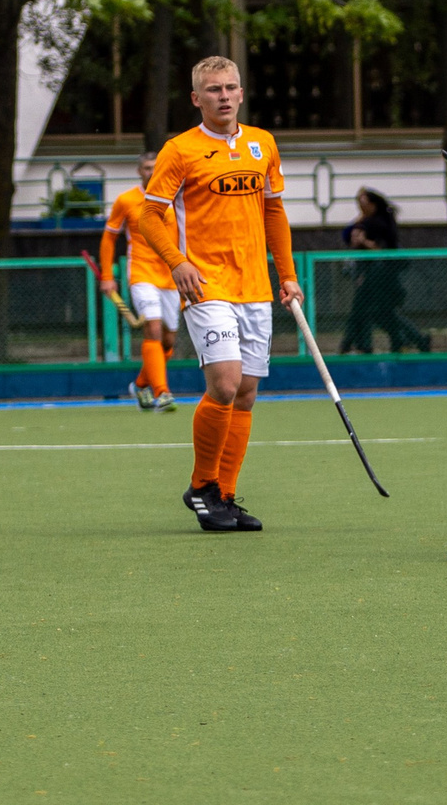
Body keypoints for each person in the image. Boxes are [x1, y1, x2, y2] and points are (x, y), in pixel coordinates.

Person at [127, 57, 301, 532]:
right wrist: (177, 262)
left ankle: (224, 495)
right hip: (206, 283)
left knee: (245, 395)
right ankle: (202, 486)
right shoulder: (179, 150)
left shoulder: (263, 143)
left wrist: (286, 275)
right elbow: (149, 215)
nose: (223, 96)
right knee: (223, 383)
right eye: (213, 89)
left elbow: (274, 213)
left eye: (230, 88)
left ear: (241, 93)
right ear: (196, 98)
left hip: (255, 285)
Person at [99, 152, 180, 410]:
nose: (152, 171)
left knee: (168, 342)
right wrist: (108, 276)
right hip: (142, 274)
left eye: (156, 167)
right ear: (139, 171)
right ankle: (162, 393)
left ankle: (142, 384)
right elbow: (109, 237)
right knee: (153, 330)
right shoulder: (127, 200)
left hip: (172, 276)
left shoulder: (177, 198)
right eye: (147, 167)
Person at [339, 189, 422, 354]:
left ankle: (356, 344)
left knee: (372, 311)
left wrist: (364, 242)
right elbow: (348, 235)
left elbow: (382, 249)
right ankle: (403, 340)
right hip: (370, 273)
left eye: (363, 203)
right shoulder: (366, 221)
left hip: (381, 275)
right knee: (370, 311)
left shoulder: (380, 223)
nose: (360, 208)